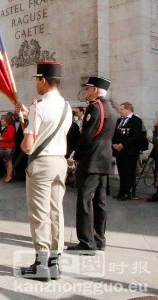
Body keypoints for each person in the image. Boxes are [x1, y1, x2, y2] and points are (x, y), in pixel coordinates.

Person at [16, 62, 72, 281]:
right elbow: (52, 126)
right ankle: (54, 262)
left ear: (43, 80)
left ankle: (40, 263)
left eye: (36, 80)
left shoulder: (39, 106)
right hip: (60, 161)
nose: (35, 84)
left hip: (41, 163)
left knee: (39, 213)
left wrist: (27, 125)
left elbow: (28, 146)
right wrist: (28, 115)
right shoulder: (66, 107)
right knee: (56, 210)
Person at [67, 76, 116, 254]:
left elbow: (86, 137)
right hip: (104, 160)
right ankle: (99, 238)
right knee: (100, 201)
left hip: (91, 161)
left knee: (85, 201)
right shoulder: (110, 109)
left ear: (95, 90)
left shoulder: (94, 109)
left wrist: (75, 156)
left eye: (88, 89)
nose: (86, 92)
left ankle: (87, 242)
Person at [112, 102, 144, 200]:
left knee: (128, 172)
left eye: (121, 109)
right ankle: (121, 192)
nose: (119, 111)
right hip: (119, 151)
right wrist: (114, 144)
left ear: (128, 109)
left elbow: (135, 136)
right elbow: (114, 133)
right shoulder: (119, 121)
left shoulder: (136, 120)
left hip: (130, 151)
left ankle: (127, 192)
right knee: (121, 172)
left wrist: (123, 145)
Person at [0, 114, 16, 183]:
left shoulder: (10, 127)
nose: (1, 121)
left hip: (8, 147)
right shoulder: (5, 127)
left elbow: (10, 138)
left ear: (7, 121)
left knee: (8, 162)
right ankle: (8, 175)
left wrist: (1, 138)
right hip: (4, 147)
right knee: (6, 162)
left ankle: (9, 176)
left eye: (3, 120)